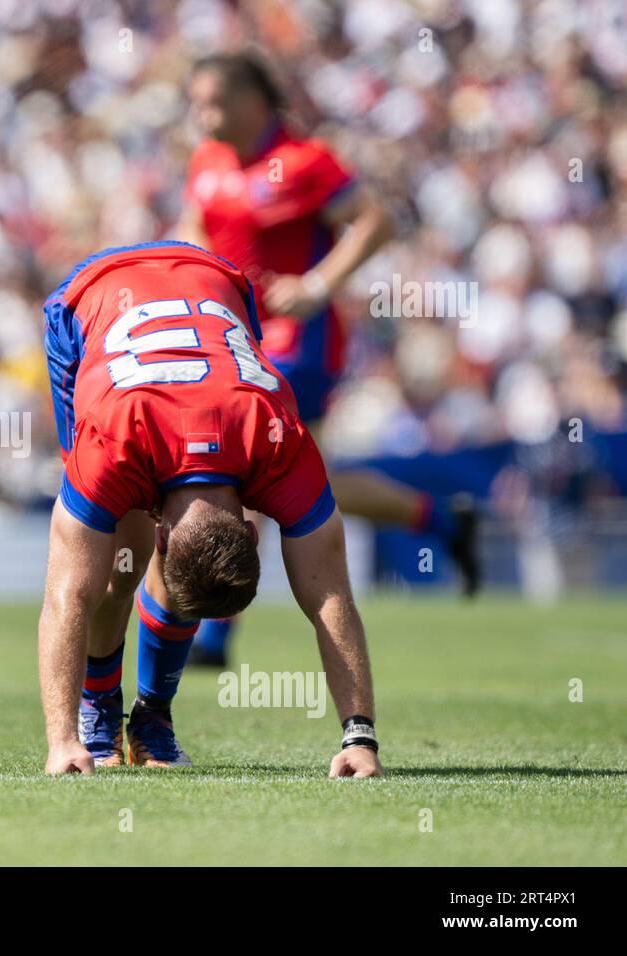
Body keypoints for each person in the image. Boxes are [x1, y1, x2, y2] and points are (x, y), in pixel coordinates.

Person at [176, 52, 479, 666]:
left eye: (213, 101)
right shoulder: (206, 163)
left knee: (248, 470)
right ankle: (439, 520)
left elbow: (377, 221)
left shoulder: (304, 163)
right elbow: (193, 235)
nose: (202, 114)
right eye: (196, 101)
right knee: (306, 479)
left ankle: (215, 630)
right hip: (235, 341)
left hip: (298, 343)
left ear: (252, 100)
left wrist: (316, 284)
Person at [39, 241, 382, 777]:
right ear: (253, 528)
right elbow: (66, 592)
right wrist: (59, 741)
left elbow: (328, 596)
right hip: (92, 294)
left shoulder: (279, 441)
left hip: (215, 277)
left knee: (174, 570)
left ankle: (152, 714)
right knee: (113, 566)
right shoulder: (120, 442)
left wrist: (361, 736)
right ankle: (98, 708)